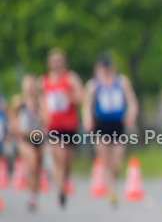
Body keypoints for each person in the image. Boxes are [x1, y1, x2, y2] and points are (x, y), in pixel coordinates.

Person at [83, 54, 139, 207]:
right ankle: (111, 191)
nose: (107, 71)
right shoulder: (93, 85)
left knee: (117, 161)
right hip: (101, 126)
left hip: (118, 126)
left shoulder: (122, 82)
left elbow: (132, 102)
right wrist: (88, 120)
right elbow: (87, 106)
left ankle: (113, 181)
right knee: (105, 160)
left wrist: (131, 115)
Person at [40, 49, 84, 208]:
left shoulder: (71, 78)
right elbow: (41, 102)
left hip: (70, 126)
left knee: (67, 161)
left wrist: (69, 96)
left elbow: (81, 97)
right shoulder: (44, 81)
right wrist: (44, 116)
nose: (56, 64)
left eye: (59, 61)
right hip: (53, 126)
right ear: (49, 64)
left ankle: (63, 182)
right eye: (53, 61)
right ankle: (60, 191)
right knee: (59, 158)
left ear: (64, 62)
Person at [8, 76, 46, 211]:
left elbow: (47, 119)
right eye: (28, 87)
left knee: (37, 168)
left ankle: (34, 194)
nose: (30, 89)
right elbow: (12, 117)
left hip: (39, 138)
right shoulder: (19, 102)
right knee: (33, 163)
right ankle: (31, 195)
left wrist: (38, 112)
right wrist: (15, 128)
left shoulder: (41, 103)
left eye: (32, 86)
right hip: (25, 138)